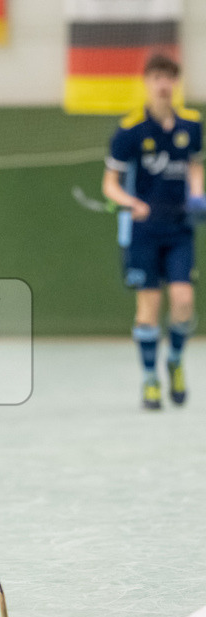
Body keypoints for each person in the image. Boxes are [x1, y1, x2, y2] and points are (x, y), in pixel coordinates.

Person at [102, 53, 204, 410]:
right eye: (157, 77)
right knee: (148, 308)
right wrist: (132, 203)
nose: (163, 84)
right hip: (144, 232)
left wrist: (197, 195)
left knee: (183, 303)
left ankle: (174, 360)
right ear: (147, 82)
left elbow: (193, 167)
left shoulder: (191, 125)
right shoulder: (129, 131)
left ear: (176, 83)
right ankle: (149, 379)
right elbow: (109, 185)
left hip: (179, 230)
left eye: (169, 78)